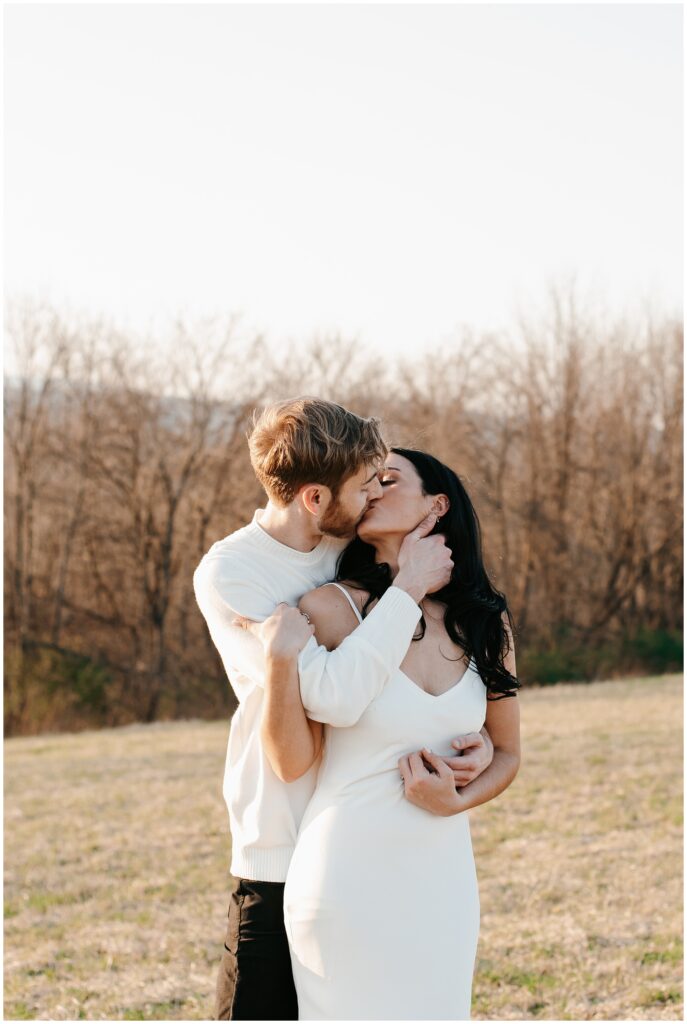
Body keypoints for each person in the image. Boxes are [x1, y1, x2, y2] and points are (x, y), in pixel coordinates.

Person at [193, 398, 496, 1020]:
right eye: (364, 486)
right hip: (283, 839)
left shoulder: (346, 552)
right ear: (313, 499)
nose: (373, 498)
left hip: (386, 833)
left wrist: (472, 737)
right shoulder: (233, 573)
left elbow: (404, 677)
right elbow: (335, 698)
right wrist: (408, 586)